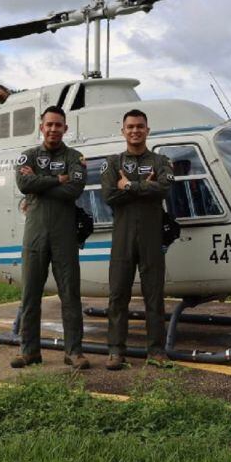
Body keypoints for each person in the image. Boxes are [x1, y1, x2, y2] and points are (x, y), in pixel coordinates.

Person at [11, 106, 89, 370]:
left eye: (59, 125)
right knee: (30, 294)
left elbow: (74, 190)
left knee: (70, 294)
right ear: (41, 126)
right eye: (49, 124)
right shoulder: (27, 156)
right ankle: (29, 351)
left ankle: (74, 352)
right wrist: (58, 178)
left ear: (65, 128)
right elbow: (24, 185)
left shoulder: (75, 157)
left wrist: (41, 183)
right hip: (34, 235)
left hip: (64, 235)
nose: (54, 129)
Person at [100, 109, 174, 370]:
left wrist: (130, 186)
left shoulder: (161, 161)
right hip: (123, 237)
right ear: (123, 131)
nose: (135, 131)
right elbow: (109, 195)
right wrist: (146, 188)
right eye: (130, 127)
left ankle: (156, 351)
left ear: (147, 130)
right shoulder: (113, 162)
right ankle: (115, 351)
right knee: (118, 294)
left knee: (154, 295)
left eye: (140, 126)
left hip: (152, 236)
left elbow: (164, 189)